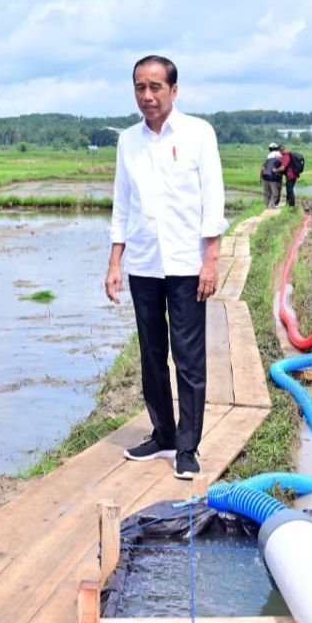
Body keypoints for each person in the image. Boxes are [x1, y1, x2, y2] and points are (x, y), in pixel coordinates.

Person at [106, 55, 228, 480]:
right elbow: (122, 203)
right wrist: (114, 262)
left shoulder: (198, 134)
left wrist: (211, 259)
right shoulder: (128, 142)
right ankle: (162, 434)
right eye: (140, 87)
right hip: (142, 262)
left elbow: (212, 200)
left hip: (185, 263)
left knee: (189, 357)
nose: (147, 95)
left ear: (174, 91)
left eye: (156, 87)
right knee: (152, 353)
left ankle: (188, 445)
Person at [260, 143, 283, 208]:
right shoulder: (279, 157)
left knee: (266, 193)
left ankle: (266, 205)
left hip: (265, 176)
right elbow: (282, 168)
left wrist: (261, 177)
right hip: (272, 177)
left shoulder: (268, 158)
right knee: (275, 193)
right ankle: (271, 205)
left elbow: (263, 167)